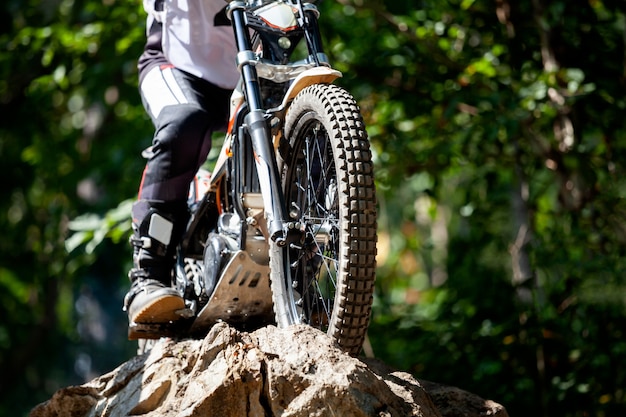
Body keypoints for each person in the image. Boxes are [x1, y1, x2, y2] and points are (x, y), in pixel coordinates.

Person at [123, 0, 239, 339]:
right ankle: (149, 274)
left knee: (295, 119)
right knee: (184, 124)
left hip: (252, 64)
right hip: (176, 62)